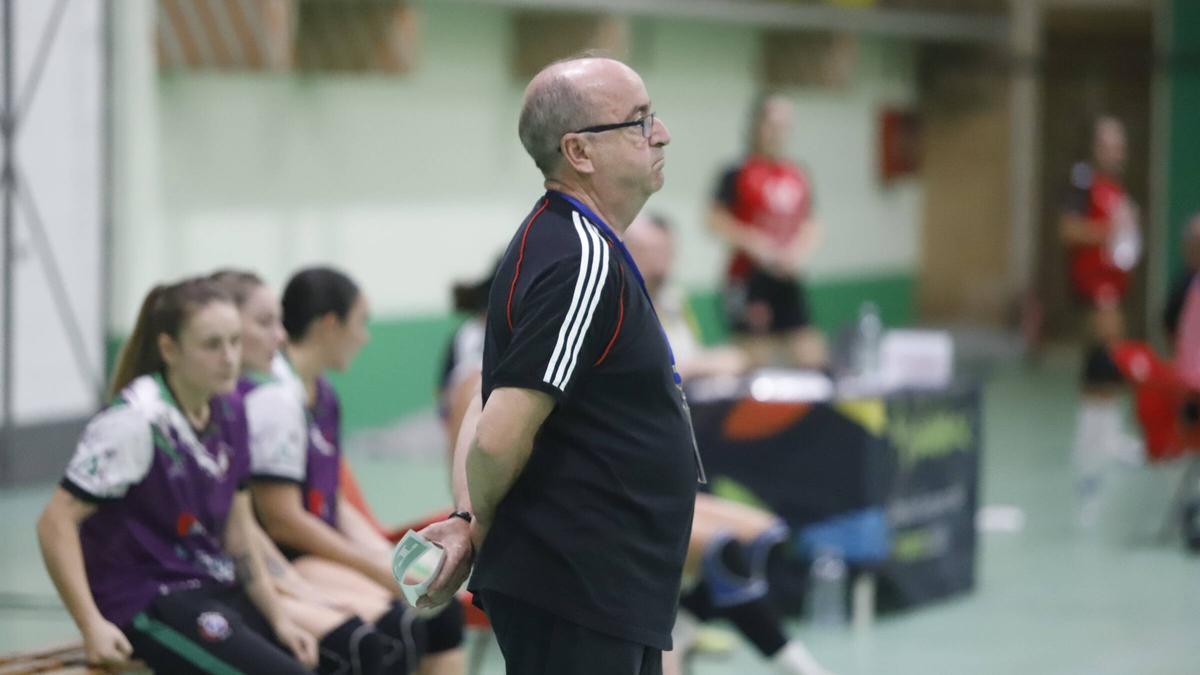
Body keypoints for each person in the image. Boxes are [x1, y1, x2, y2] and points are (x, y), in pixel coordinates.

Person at [416, 55, 701, 675]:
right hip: (580, 583)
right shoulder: (581, 259)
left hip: (599, 586)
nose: (661, 133)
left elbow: (487, 404)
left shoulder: (556, 243)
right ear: (580, 151)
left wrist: (468, 516)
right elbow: (497, 434)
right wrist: (476, 524)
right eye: (638, 120)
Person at [36, 278, 316, 673]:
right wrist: (91, 624)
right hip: (146, 602)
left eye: (235, 341)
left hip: (208, 585)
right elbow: (55, 522)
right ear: (169, 348)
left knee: (335, 652)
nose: (230, 357)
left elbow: (238, 533)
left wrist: (279, 618)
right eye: (212, 345)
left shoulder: (230, 412)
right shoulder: (136, 422)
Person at [213, 269, 455, 674]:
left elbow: (332, 501)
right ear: (330, 324)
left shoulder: (322, 396)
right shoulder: (270, 401)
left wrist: (389, 559)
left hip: (293, 556)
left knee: (438, 615)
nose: (366, 337)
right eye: (361, 323)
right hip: (282, 559)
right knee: (390, 630)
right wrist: (368, 569)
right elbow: (281, 522)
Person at [626, 216, 833, 675]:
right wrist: (701, 365)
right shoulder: (619, 305)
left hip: (682, 457)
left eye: (667, 252)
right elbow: (658, 370)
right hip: (629, 486)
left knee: (766, 533)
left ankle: (687, 619)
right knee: (723, 551)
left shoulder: (673, 302)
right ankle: (799, 665)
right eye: (651, 252)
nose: (662, 263)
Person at [1059, 116, 1144, 526]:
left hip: (1114, 285)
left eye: (1120, 145)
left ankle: (1106, 435)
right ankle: (1092, 439)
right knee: (1103, 358)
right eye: (1109, 144)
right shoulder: (1082, 184)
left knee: (1112, 356)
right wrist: (1112, 228)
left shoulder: (1116, 191)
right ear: (1095, 146)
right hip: (1092, 288)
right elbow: (1070, 230)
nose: (1116, 152)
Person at [708, 94, 825, 369]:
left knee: (812, 356)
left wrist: (797, 253)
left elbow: (811, 222)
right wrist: (757, 245)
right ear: (757, 125)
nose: (778, 133)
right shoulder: (737, 172)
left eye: (785, 126)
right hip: (749, 280)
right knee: (754, 359)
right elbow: (714, 218)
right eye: (772, 124)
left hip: (786, 280)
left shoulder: (796, 173)